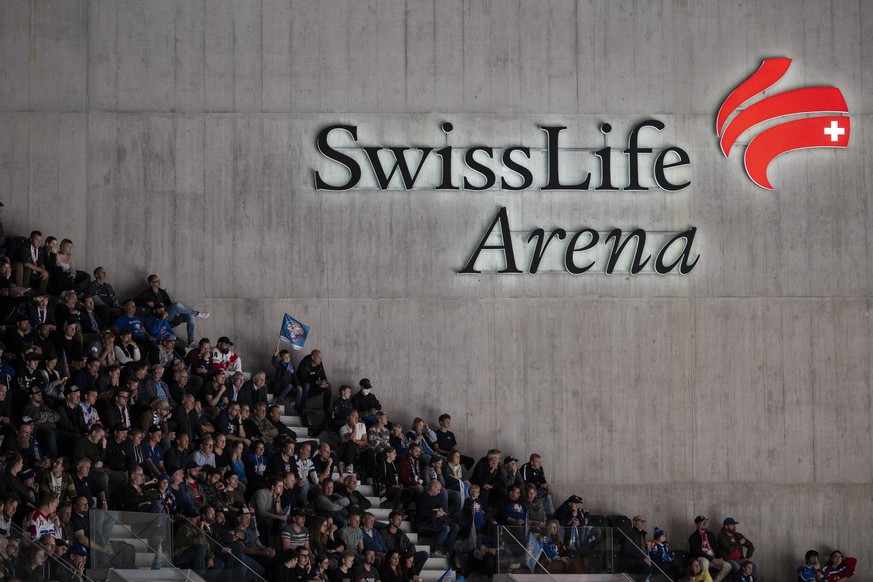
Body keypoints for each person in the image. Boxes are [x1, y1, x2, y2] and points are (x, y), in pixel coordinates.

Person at [135, 274, 209, 346]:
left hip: (168, 314)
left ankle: (191, 341)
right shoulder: (147, 293)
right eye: (156, 281)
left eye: (159, 280)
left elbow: (169, 304)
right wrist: (146, 302)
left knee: (190, 316)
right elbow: (136, 301)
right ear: (151, 283)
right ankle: (197, 313)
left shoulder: (162, 292)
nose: (159, 282)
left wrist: (176, 310)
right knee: (177, 305)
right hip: (158, 317)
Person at [415, 480, 459, 557]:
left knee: (455, 526)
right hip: (425, 523)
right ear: (433, 488)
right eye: (438, 489)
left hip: (436, 521)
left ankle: (447, 549)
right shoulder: (423, 496)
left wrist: (441, 511)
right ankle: (434, 549)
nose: (439, 492)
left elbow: (439, 508)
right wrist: (436, 512)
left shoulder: (437, 496)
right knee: (446, 528)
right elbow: (422, 512)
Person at [689, 516, 732, 582]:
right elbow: (698, 552)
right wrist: (712, 559)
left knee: (728, 566)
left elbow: (717, 547)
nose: (705, 524)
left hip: (713, 559)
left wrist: (720, 558)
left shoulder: (710, 534)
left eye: (706, 522)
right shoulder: (693, 537)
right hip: (701, 558)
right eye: (702, 522)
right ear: (697, 525)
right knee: (705, 562)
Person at [297, 349, 332, 413]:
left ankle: (326, 409)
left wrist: (323, 383)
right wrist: (316, 382)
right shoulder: (304, 363)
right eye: (319, 357)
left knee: (328, 386)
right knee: (306, 385)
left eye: (321, 358)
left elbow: (324, 378)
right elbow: (302, 378)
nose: (320, 359)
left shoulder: (320, 365)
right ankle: (302, 408)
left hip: (314, 387)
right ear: (312, 357)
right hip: (303, 387)